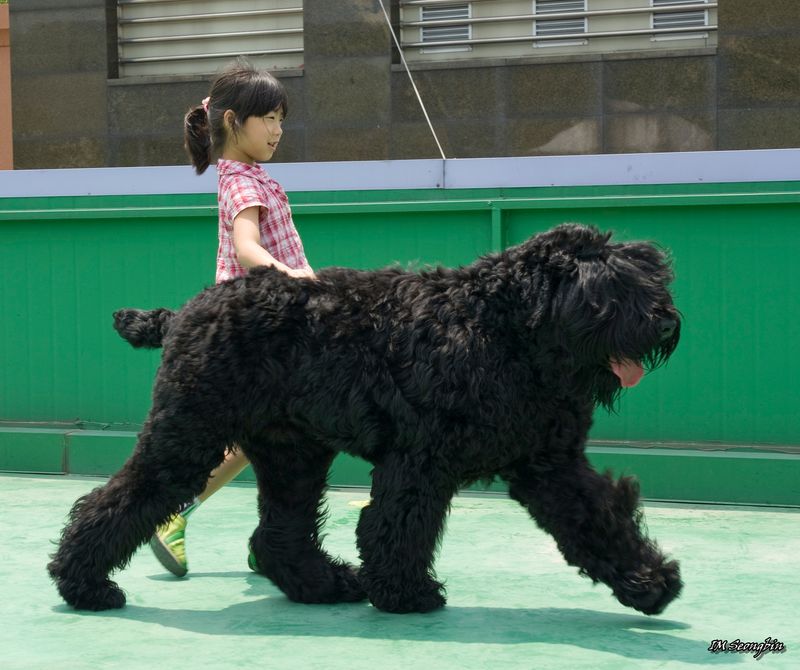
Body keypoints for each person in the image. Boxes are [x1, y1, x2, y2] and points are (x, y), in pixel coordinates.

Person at [149, 59, 315, 577]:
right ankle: (175, 512)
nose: (277, 129)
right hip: (255, 325)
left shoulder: (251, 175)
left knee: (274, 430)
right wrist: (299, 280)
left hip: (262, 320)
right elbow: (247, 249)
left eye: (281, 119)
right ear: (231, 122)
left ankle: (270, 540)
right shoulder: (242, 182)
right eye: (266, 118)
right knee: (271, 430)